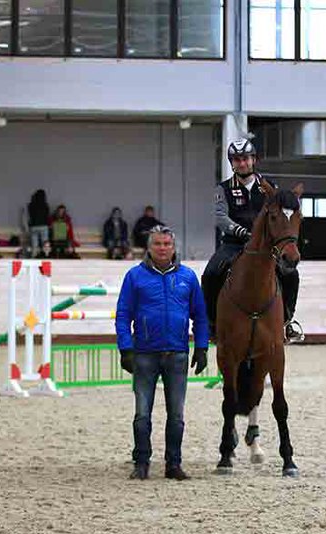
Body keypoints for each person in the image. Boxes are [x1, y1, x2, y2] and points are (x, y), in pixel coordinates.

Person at [115, 225, 209, 481]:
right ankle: (141, 462)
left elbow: (200, 316)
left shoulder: (188, 277)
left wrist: (201, 347)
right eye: (157, 244)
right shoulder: (134, 277)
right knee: (142, 413)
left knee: (176, 415)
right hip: (144, 354)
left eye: (167, 244)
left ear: (173, 246)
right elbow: (123, 315)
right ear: (149, 247)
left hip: (177, 354)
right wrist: (126, 349)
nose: (162, 248)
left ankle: (173, 464)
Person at [201, 138, 304, 343]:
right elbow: (220, 217)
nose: (242, 163)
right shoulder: (223, 189)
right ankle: (211, 324)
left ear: (253, 160)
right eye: (237, 160)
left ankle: (287, 321)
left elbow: (281, 216)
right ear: (232, 163)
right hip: (233, 244)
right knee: (210, 274)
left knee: (291, 275)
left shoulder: (270, 188)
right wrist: (240, 231)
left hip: (264, 247)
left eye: (245, 159)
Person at [27, 189, 50, 258]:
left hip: (33, 226)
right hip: (43, 225)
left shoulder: (31, 205)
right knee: (45, 243)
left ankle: (34, 256)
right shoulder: (45, 205)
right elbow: (47, 216)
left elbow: (29, 216)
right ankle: (46, 255)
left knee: (34, 244)